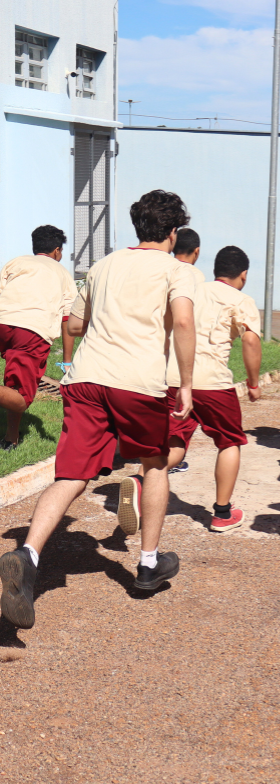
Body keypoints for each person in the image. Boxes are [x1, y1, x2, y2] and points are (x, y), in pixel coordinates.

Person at [0, 190, 197, 630]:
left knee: (71, 475)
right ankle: (148, 565)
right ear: (174, 231)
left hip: (87, 379)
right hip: (139, 382)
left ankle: (26, 556)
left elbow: (74, 322)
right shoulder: (176, 271)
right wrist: (185, 382)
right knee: (156, 463)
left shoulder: (104, 265)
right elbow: (182, 320)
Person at [117, 245, 261, 535]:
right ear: (243, 275)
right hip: (213, 384)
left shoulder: (193, 292)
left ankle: (142, 482)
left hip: (174, 379)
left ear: (215, 270)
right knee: (229, 441)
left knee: (175, 442)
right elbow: (250, 341)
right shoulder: (242, 299)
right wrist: (254, 382)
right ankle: (222, 513)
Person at [0, 225, 77, 449]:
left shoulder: (16, 262)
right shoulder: (62, 273)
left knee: (13, 388)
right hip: (32, 331)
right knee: (22, 399)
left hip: (2, 324)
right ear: (56, 251)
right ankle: (10, 437)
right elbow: (67, 320)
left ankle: (10, 439)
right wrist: (68, 360)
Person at [168, 227, 205, 474]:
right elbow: (189, 321)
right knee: (180, 425)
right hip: (178, 360)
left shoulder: (162, 269)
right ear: (197, 252)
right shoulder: (195, 277)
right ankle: (148, 474)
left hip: (152, 358)